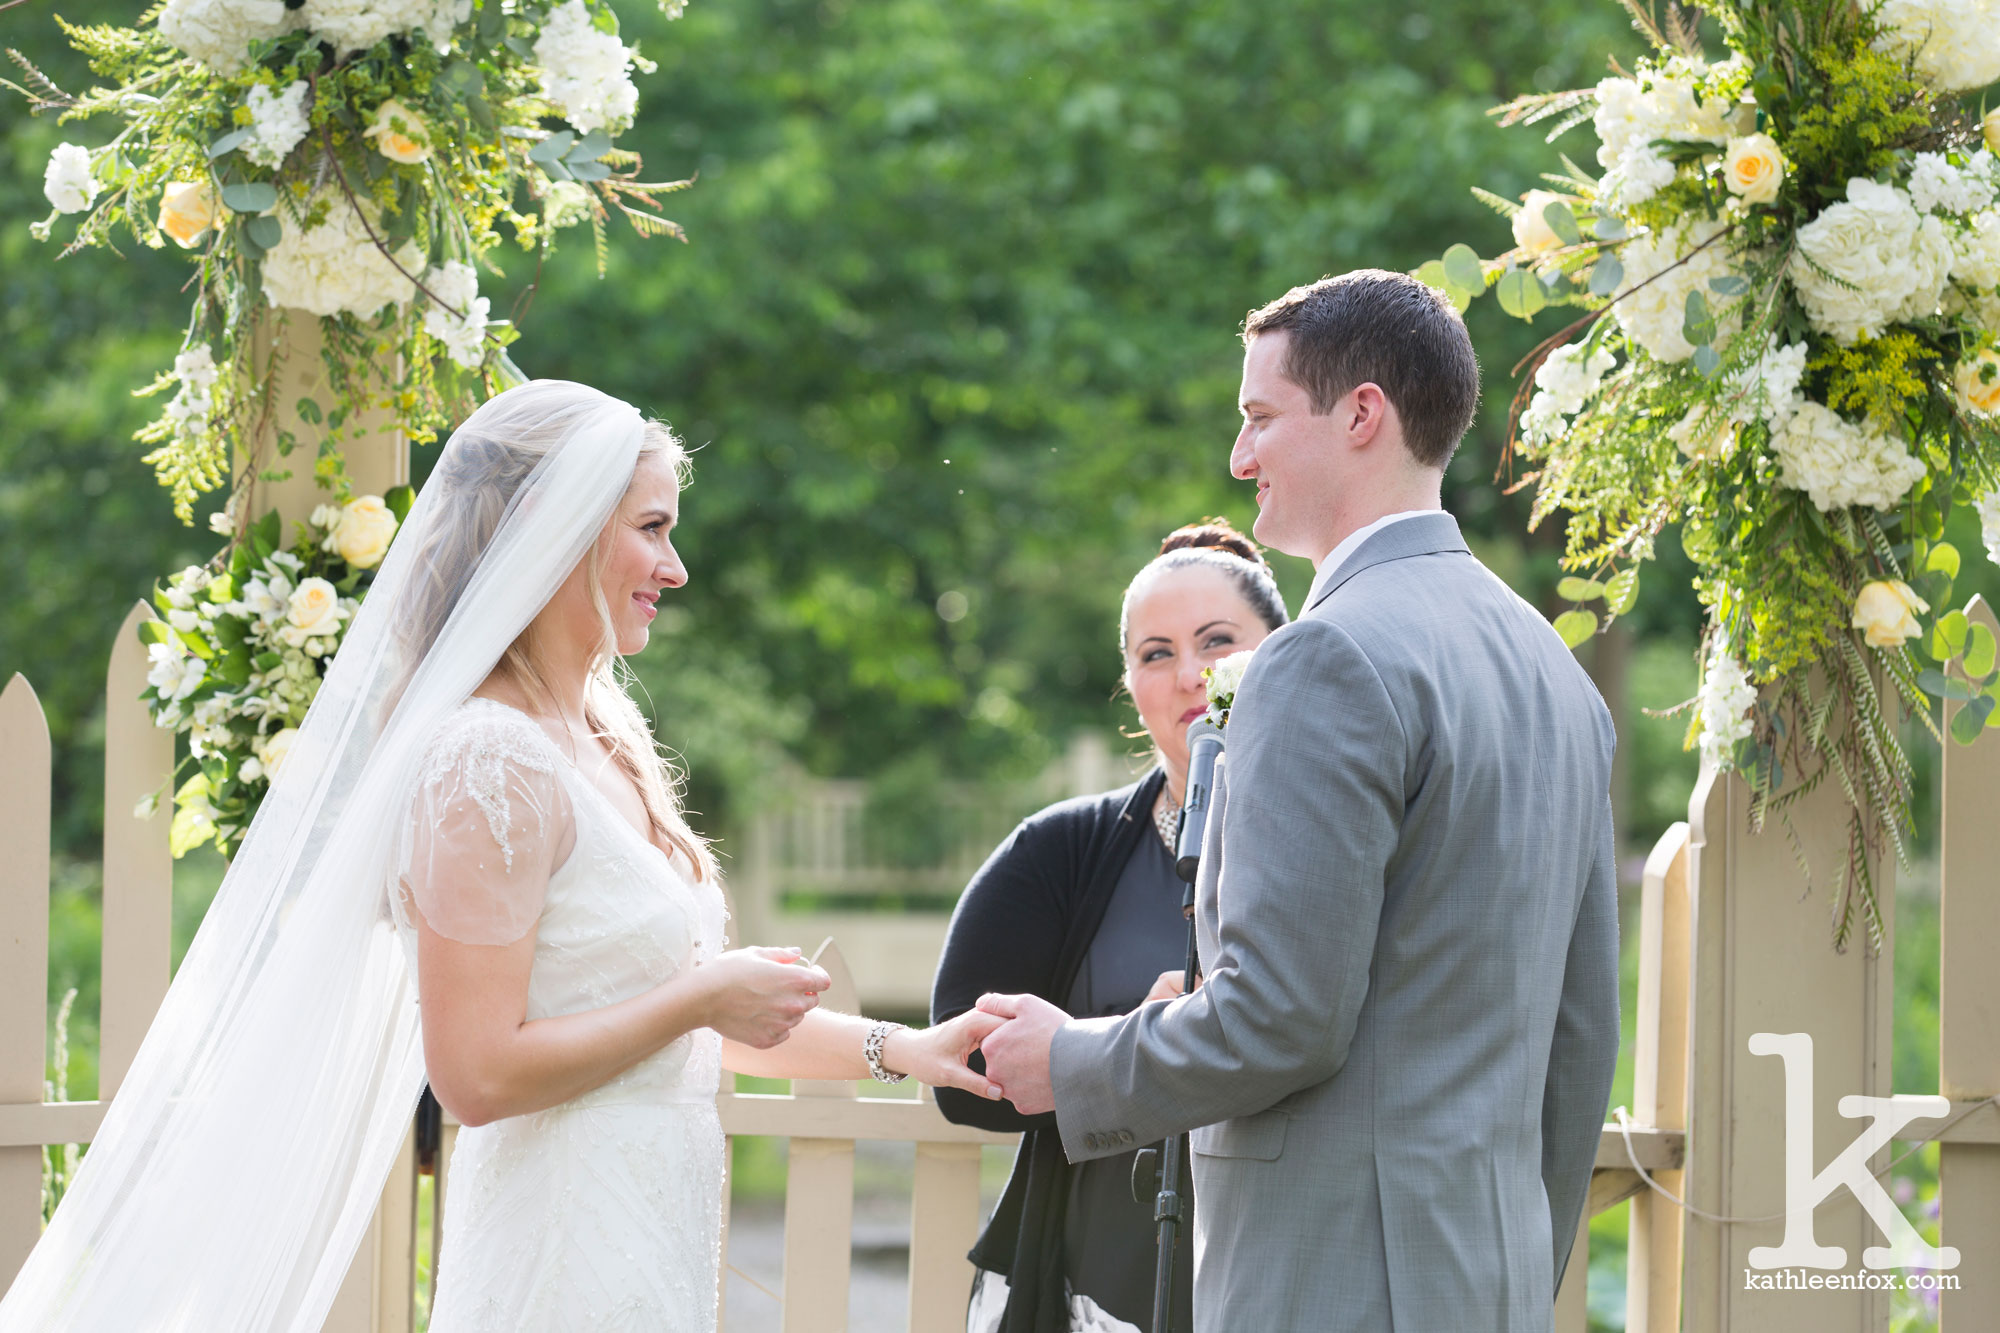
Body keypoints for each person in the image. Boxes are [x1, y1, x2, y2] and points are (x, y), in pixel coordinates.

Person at [0, 381, 1000, 1333]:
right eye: (651, 529)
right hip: (557, 1245)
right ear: (557, 532)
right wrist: (699, 999)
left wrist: (898, 1049)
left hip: (646, 1238)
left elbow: (674, 1027)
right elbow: (474, 1070)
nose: (675, 567)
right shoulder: (487, 755)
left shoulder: (604, 732)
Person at [976, 272, 1622, 1332]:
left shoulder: (1324, 656)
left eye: (1260, 417)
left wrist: (1070, 1061)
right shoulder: (1549, 665)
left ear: (1360, 413)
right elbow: (1578, 1033)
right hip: (1487, 1280)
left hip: (1327, 1282)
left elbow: (1279, 1018)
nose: (1239, 459)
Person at [931, 518, 1288, 1333]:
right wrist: (1125, 1037)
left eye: (1219, 641)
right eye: (1155, 653)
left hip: (1287, 1263)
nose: (1191, 674)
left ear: (1283, 649)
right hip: (1100, 1281)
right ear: (1130, 682)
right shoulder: (1061, 852)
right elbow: (962, 1065)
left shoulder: (1335, 845)